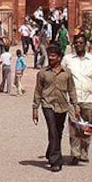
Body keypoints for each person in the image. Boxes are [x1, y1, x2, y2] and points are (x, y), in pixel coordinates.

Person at [32, 44, 79, 172]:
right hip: (47, 105)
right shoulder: (42, 73)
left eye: (53, 56)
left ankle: (50, 151)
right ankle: (55, 161)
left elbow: (72, 90)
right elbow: (38, 91)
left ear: (59, 57)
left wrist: (76, 105)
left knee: (58, 132)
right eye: (49, 56)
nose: (51, 58)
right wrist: (35, 108)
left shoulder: (67, 73)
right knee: (52, 131)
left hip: (63, 105)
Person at [62, 34, 92, 164]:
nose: (78, 45)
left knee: (86, 126)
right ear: (73, 45)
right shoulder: (67, 59)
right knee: (74, 126)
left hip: (88, 97)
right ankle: (75, 153)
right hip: (73, 98)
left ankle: (84, 152)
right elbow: (60, 74)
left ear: (85, 44)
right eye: (76, 43)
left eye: (81, 43)